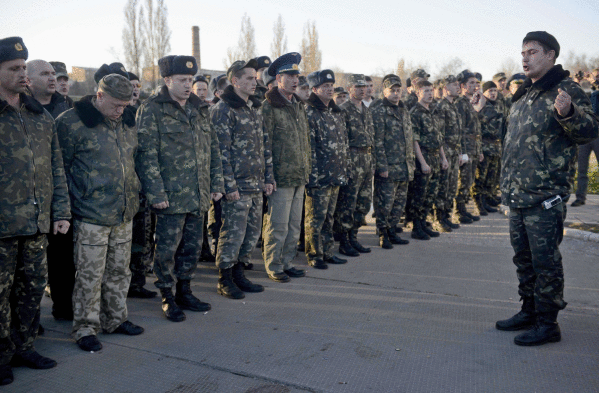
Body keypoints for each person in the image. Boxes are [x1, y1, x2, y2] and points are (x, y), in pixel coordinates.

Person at [497, 31, 599, 346]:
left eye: (532, 51)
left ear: (551, 55)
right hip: (518, 194)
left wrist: (568, 113)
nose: (525, 58)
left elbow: (589, 131)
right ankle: (528, 311)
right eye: (523, 52)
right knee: (523, 259)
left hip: (544, 195)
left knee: (545, 262)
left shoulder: (567, 89)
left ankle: (547, 323)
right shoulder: (524, 94)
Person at [57, 70, 145, 352]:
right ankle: (85, 327)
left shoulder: (126, 121)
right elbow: (60, 168)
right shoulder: (71, 123)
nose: (121, 111)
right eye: (115, 105)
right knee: (89, 275)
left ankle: (116, 319)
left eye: (125, 105)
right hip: (90, 213)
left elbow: (133, 160)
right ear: (99, 96)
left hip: (123, 211)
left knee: (120, 271)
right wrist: (67, 207)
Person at [0, 36, 70, 385]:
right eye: (14, 69)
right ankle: (0, 355)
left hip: (36, 221)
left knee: (31, 288)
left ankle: (24, 346)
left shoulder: (39, 116)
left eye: (23, 68)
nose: (21, 74)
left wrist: (60, 211)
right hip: (2, 224)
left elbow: (55, 166)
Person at [136, 56, 224, 322]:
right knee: (166, 248)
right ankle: (167, 295)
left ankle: (185, 290)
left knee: (192, 247)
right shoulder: (152, 109)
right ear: (167, 81)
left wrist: (216, 182)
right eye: (182, 80)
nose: (188, 85)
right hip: (170, 196)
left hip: (197, 192)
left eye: (191, 80)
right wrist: (156, 193)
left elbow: (213, 149)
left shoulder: (200, 109)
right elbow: (145, 154)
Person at [211, 59, 274, 298]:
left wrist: (268, 177)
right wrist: (228, 185)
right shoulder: (223, 109)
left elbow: (264, 146)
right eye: (249, 78)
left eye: (255, 77)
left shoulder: (253, 108)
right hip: (236, 187)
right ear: (235, 81)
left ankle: (239, 274)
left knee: (250, 234)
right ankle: (225, 278)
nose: (254, 81)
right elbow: (220, 152)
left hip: (256, 184)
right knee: (232, 234)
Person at [27, 59, 75, 322]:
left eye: (53, 74)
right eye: (45, 74)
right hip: (28, 198)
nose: (52, 78)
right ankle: (27, 320)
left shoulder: (68, 108)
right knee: (29, 266)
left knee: (62, 258)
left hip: (61, 193)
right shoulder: (20, 109)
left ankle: (63, 306)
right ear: (29, 79)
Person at [260, 52, 310, 282]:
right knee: (277, 225)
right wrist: (268, 176)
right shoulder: (269, 106)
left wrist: (306, 169)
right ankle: (273, 264)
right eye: (289, 75)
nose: (295, 80)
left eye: (296, 75)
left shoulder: (298, 106)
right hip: (280, 176)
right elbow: (264, 143)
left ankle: (287, 261)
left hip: (299, 175)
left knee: (293, 226)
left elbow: (304, 141)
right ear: (278, 78)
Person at [304, 69, 349, 268]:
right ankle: (314, 255)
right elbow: (309, 148)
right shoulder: (309, 113)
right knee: (315, 218)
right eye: (325, 87)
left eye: (331, 86)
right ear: (315, 89)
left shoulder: (335, 112)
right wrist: (312, 177)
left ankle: (328, 252)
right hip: (319, 176)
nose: (330, 90)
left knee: (329, 217)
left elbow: (342, 143)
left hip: (335, 174)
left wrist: (344, 170)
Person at [371, 74, 414, 247]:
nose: (396, 94)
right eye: (392, 91)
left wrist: (410, 164)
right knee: (384, 203)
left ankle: (392, 230)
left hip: (404, 165)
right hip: (388, 166)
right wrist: (382, 165)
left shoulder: (403, 110)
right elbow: (377, 140)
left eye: (398, 90)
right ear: (384, 91)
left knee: (399, 203)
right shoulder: (379, 110)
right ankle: (383, 234)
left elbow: (408, 137)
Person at [334, 74, 374, 256]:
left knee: (363, 203)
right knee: (348, 203)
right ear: (350, 89)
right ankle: (344, 240)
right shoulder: (343, 110)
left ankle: (354, 237)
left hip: (366, 159)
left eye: (364, 87)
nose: (362, 90)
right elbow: (341, 141)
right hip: (352, 159)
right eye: (358, 87)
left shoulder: (366, 110)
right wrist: (345, 165)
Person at [407, 80, 449, 240]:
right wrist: (423, 163)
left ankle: (424, 223)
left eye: (431, 91)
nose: (430, 94)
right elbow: (414, 140)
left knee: (431, 194)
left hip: (434, 157)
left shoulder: (432, 112)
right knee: (420, 194)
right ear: (418, 93)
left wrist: (443, 158)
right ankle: (416, 227)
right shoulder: (415, 113)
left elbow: (438, 138)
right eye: (426, 91)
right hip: (423, 157)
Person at [455, 70, 486, 222]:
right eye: (471, 83)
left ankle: (463, 209)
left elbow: (477, 129)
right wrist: (462, 152)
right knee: (463, 180)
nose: (475, 86)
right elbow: (459, 129)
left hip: (474, 146)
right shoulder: (460, 103)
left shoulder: (473, 102)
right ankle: (458, 211)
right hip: (466, 146)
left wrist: (479, 150)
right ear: (462, 86)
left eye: (476, 83)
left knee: (469, 180)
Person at [434, 75, 464, 230]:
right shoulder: (441, 107)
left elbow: (457, 133)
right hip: (445, 153)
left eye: (458, 84)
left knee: (452, 187)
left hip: (453, 153)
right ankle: (438, 219)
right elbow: (438, 135)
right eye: (454, 85)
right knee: (442, 187)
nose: (458, 87)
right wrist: (443, 157)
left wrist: (459, 153)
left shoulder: (454, 106)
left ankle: (446, 216)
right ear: (445, 88)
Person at [473, 81, 503, 215]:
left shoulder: (497, 106)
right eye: (490, 90)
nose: (493, 93)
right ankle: (478, 203)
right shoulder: (480, 106)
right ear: (484, 93)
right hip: (484, 147)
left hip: (495, 147)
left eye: (494, 91)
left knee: (491, 177)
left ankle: (487, 199)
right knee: (481, 178)